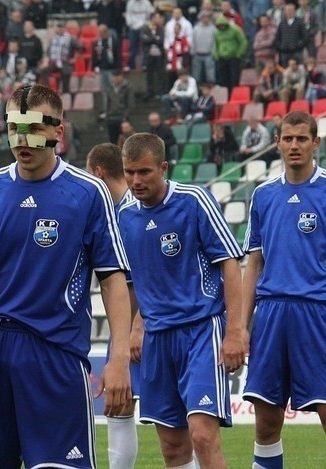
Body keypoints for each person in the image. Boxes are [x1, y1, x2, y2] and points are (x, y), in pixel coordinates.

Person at [0, 84, 132, 469]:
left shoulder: (88, 192)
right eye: (14, 129)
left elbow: (113, 279)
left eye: (34, 129)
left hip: (55, 351)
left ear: (58, 132)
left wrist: (119, 358)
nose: (22, 141)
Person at [242, 111, 326, 469]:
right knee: (266, 425)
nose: (294, 145)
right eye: (287, 138)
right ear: (277, 142)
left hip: (319, 315)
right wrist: (240, 326)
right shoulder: (263, 195)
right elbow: (253, 265)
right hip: (270, 316)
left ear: (316, 142)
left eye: (302, 138)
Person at [118, 132, 245, 468]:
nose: (135, 180)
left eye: (144, 172)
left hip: (201, 330)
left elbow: (230, 264)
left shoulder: (194, 201)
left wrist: (235, 331)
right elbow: (134, 281)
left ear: (164, 167)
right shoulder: (124, 216)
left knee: (202, 436)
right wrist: (135, 325)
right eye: (129, 172)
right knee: (173, 449)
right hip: (157, 339)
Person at [85, 143, 141, 469]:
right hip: (126, 326)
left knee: (177, 420)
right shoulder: (113, 214)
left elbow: (155, 274)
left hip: (151, 324)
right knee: (118, 405)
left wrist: (139, 325)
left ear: (98, 173)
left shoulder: (135, 210)